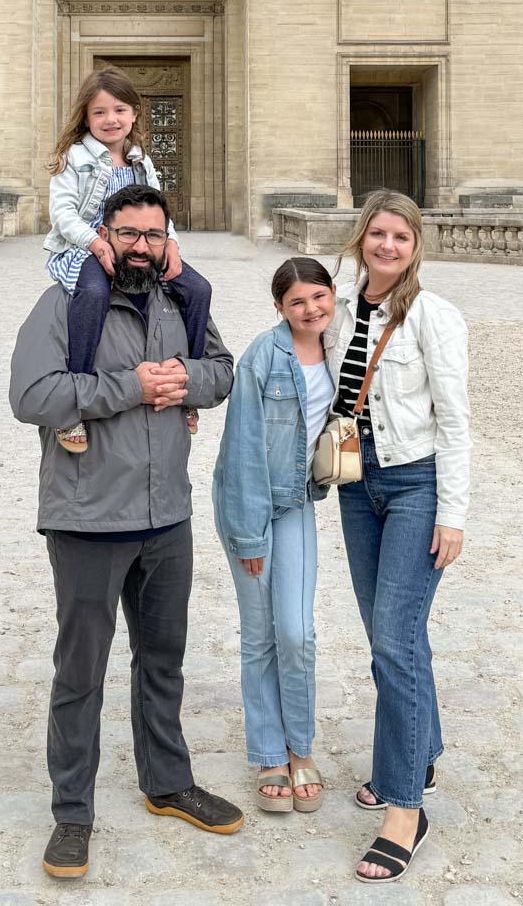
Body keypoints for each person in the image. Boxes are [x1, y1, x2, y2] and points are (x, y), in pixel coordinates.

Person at [11, 184, 242, 880]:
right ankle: (72, 814)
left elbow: (223, 370)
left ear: (168, 242)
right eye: (128, 233)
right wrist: (128, 388)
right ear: (103, 237)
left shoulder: (180, 305)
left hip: (166, 512)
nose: (140, 245)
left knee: (163, 660)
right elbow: (31, 395)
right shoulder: (63, 305)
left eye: (153, 234)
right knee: (80, 674)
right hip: (88, 519)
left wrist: (187, 381)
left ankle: (167, 782)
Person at [323, 190, 471, 883]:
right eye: (377, 234)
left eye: (400, 238)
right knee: (394, 634)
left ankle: (405, 809)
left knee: (394, 641)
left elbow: (456, 422)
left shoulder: (435, 318)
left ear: (416, 247)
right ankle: (418, 754)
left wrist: (454, 513)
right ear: (361, 239)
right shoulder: (341, 310)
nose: (387, 246)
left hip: (416, 487)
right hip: (359, 484)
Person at [213, 257, 336, 815]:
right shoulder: (264, 356)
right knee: (261, 634)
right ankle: (270, 752)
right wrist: (248, 536)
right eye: (297, 302)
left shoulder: (340, 347)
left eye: (319, 297)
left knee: (297, 631)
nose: (311, 310)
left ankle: (300, 744)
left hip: (297, 502)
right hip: (252, 506)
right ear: (280, 308)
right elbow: (240, 451)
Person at [44, 66, 209, 453]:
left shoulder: (141, 161)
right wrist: (94, 244)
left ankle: (188, 387)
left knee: (198, 289)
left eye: (119, 110)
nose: (110, 120)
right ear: (85, 117)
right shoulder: (73, 157)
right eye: (99, 112)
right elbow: (63, 214)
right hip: (85, 248)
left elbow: (159, 211)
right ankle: (74, 403)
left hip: (140, 248)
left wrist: (170, 243)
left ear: (134, 113)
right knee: (94, 294)